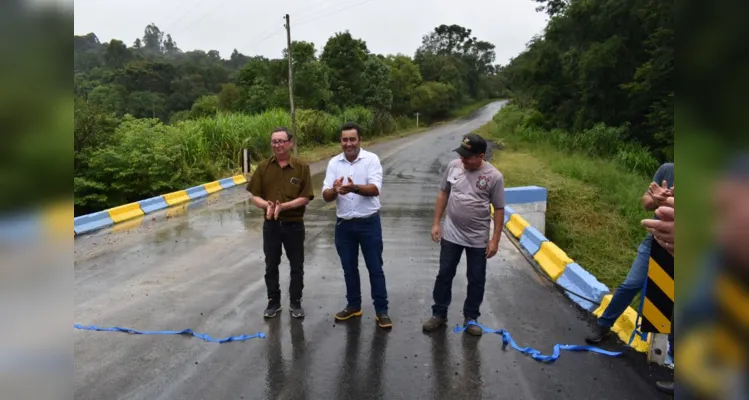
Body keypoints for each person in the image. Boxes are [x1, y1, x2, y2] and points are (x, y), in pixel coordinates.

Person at [422, 133, 506, 336]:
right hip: (451, 234)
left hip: (477, 238)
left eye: (468, 157)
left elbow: (499, 209)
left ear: (481, 155)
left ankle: (471, 318)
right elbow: (443, 192)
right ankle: (439, 314)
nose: (463, 160)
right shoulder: (453, 167)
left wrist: (495, 240)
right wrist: (436, 223)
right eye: (461, 155)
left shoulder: (494, 177)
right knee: (444, 274)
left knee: (476, 278)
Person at [585, 162, 674, 344]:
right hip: (655, 239)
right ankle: (604, 324)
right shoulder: (667, 170)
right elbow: (646, 202)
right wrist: (659, 198)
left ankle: (672, 348)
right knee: (632, 283)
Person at [321, 122, 393, 329]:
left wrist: (353, 188)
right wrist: (335, 190)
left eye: (352, 139)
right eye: (345, 139)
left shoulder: (371, 160)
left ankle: (382, 310)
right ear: (340, 141)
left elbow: (375, 189)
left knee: (374, 268)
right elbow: (325, 195)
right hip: (344, 225)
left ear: (360, 140)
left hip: (368, 223)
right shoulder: (334, 163)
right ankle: (354, 306)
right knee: (348, 268)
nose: (348, 143)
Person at [246, 127, 314, 319]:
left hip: (294, 224)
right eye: (274, 142)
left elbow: (305, 197)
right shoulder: (263, 167)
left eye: (281, 141)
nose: (277, 145)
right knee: (271, 265)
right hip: (271, 225)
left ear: (290, 143)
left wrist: (283, 206)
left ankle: (296, 302)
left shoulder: (301, 168)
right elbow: (255, 196)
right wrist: (265, 205)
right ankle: (273, 302)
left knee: (296, 265)